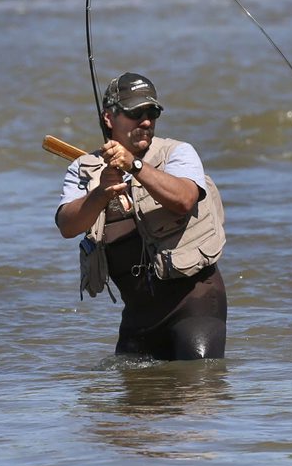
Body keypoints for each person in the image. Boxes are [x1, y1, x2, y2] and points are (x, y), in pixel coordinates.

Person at [56, 72, 227, 360]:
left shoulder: (178, 153)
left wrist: (135, 166)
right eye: (136, 113)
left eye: (152, 112)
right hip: (139, 317)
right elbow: (68, 225)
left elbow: (184, 199)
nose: (146, 121)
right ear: (109, 118)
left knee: (197, 384)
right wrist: (101, 193)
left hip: (195, 303)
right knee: (133, 402)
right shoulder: (83, 170)